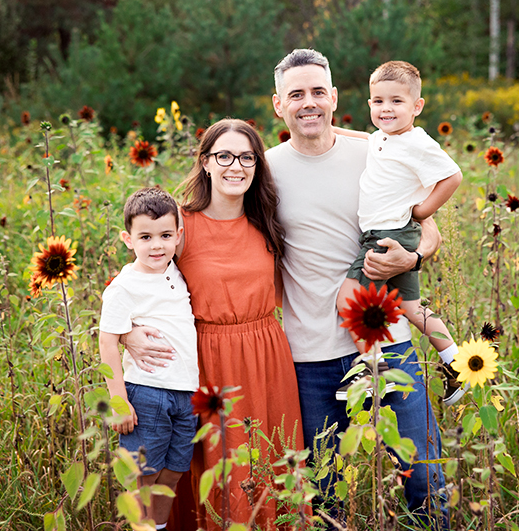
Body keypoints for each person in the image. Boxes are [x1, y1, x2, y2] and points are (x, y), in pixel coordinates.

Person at [266, 48, 449, 528]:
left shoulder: (379, 150)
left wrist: (414, 257)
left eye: (318, 92)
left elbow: (428, 229)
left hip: (389, 346)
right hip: (311, 358)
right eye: (297, 94)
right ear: (278, 104)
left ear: (334, 97)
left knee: (424, 480)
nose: (309, 102)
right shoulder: (262, 171)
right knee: (325, 494)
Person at [123, 119, 305, 531]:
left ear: (258, 164)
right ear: (205, 161)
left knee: (269, 457)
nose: (235, 166)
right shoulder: (181, 226)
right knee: (216, 465)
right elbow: (131, 285)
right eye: (224, 156)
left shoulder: (268, 222)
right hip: (203, 360)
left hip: (265, 359)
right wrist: (130, 335)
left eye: (246, 157)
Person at [332, 60, 465, 406]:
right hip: (393, 233)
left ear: (417, 106)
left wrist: (423, 210)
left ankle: (373, 371)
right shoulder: (384, 137)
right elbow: (368, 138)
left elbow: (452, 176)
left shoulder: (417, 143)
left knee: (349, 300)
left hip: (386, 234)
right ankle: (456, 361)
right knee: (409, 305)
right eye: (378, 101)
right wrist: (331, 131)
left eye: (396, 101)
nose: (386, 109)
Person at [98, 187, 199, 529]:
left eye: (165, 236)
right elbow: (107, 342)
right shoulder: (124, 287)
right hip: (146, 392)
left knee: (172, 476)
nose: (157, 245)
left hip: (184, 393)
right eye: (146, 237)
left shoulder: (177, 272)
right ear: (128, 239)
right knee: (143, 478)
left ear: (178, 236)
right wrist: (118, 400)